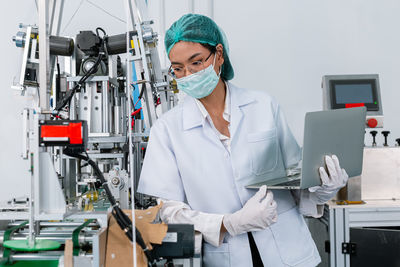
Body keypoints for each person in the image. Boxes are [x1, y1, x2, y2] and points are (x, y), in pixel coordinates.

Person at [138, 14, 348, 267]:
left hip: (290, 252)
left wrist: (322, 187)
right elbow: (168, 212)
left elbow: (294, 183)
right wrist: (229, 223)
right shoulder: (167, 129)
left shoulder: (263, 106)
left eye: (196, 62)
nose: (188, 75)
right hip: (224, 256)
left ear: (219, 55)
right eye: (178, 68)